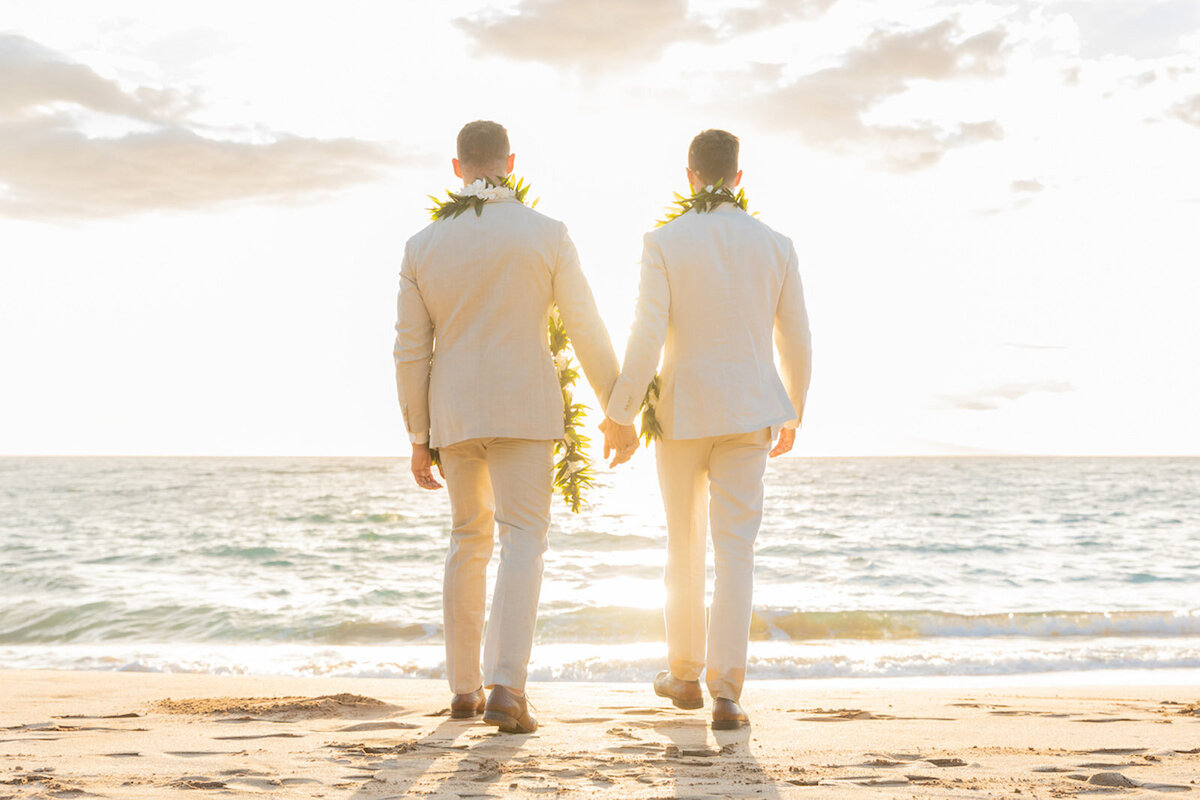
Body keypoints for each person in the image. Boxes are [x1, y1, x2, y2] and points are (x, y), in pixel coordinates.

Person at [394, 120, 629, 733]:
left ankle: (464, 690)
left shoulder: (423, 246)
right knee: (523, 540)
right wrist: (617, 408)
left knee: (467, 541)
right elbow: (585, 325)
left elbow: (410, 351)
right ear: (511, 162)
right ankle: (507, 688)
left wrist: (419, 436)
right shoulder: (546, 235)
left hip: (455, 415)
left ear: (457, 168)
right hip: (525, 408)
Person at [603, 129, 812, 729]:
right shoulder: (776, 245)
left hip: (681, 413)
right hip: (749, 413)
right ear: (737, 179)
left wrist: (620, 412)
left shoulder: (664, 241)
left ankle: (686, 674)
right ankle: (726, 693)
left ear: (689, 177)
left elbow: (647, 333)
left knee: (683, 543)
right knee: (736, 551)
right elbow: (795, 337)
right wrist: (793, 408)